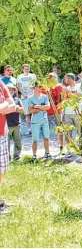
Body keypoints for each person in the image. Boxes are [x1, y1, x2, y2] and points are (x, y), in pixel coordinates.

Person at [0, 81, 16, 215]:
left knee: (2, 167)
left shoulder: (0, 84)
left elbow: (13, 105)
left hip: (2, 132)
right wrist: (5, 105)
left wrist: (2, 106)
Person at [28, 82, 52, 161]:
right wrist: (42, 107)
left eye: (42, 86)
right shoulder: (30, 98)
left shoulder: (45, 97)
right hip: (35, 121)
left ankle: (47, 153)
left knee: (46, 138)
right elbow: (30, 111)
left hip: (44, 120)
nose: (41, 88)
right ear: (34, 87)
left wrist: (36, 106)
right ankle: (34, 155)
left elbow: (48, 107)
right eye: (39, 86)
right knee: (35, 140)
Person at [62, 73, 82, 157]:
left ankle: (80, 149)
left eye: (65, 79)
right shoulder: (66, 88)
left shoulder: (79, 87)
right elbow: (64, 101)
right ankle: (69, 150)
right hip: (67, 113)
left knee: (79, 132)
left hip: (77, 113)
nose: (64, 80)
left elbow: (77, 97)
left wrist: (68, 92)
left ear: (69, 79)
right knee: (68, 133)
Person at [46, 73, 64, 154]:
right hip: (48, 111)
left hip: (58, 111)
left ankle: (61, 147)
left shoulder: (59, 86)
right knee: (46, 131)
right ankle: (47, 149)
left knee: (60, 129)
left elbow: (62, 98)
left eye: (54, 78)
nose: (53, 80)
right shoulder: (45, 87)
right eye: (51, 78)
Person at [17, 64, 37, 135]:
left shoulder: (33, 76)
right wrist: (24, 94)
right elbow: (19, 86)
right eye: (25, 69)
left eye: (28, 69)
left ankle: (35, 128)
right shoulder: (20, 77)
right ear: (23, 69)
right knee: (27, 114)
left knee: (35, 113)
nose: (27, 70)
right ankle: (29, 129)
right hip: (24, 97)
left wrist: (31, 94)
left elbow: (35, 86)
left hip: (32, 96)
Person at [6, 84, 23, 160]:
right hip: (7, 125)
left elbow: (22, 110)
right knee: (7, 144)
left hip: (16, 124)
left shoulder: (17, 99)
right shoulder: (4, 100)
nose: (10, 91)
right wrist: (15, 108)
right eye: (9, 90)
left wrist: (15, 108)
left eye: (12, 90)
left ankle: (16, 157)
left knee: (18, 143)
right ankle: (7, 158)